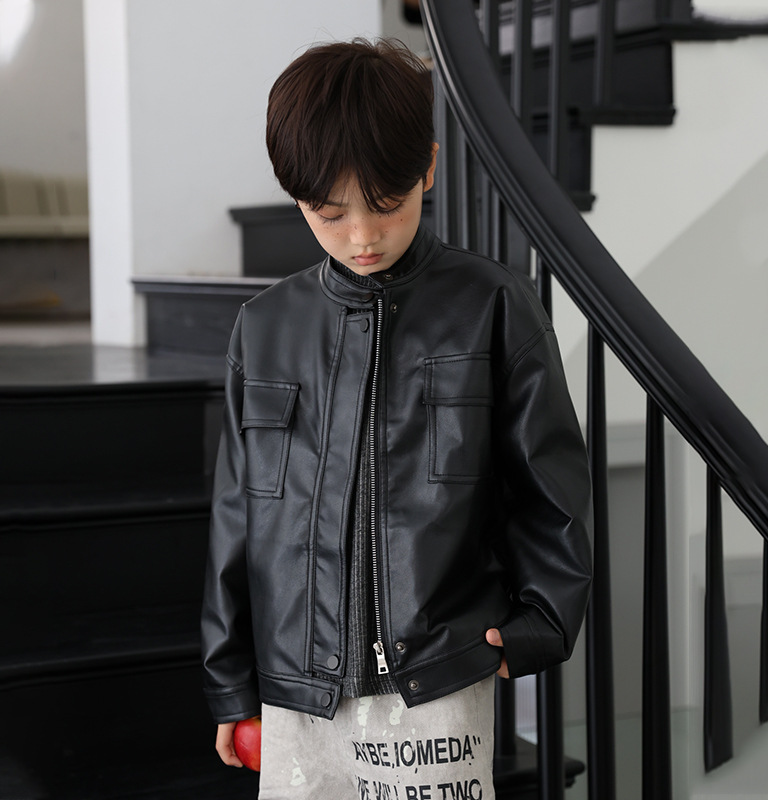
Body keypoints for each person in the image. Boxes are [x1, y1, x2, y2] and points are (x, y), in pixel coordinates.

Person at [201, 38, 592, 798]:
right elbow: (238, 515)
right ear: (296, 197)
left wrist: (538, 625)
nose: (362, 236)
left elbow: (550, 481)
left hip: (438, 678)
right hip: (295, 687)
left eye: (385, 205)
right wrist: (228, 679)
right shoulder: (264, 328)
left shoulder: (493, 306)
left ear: (428, 170)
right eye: (329, 213)